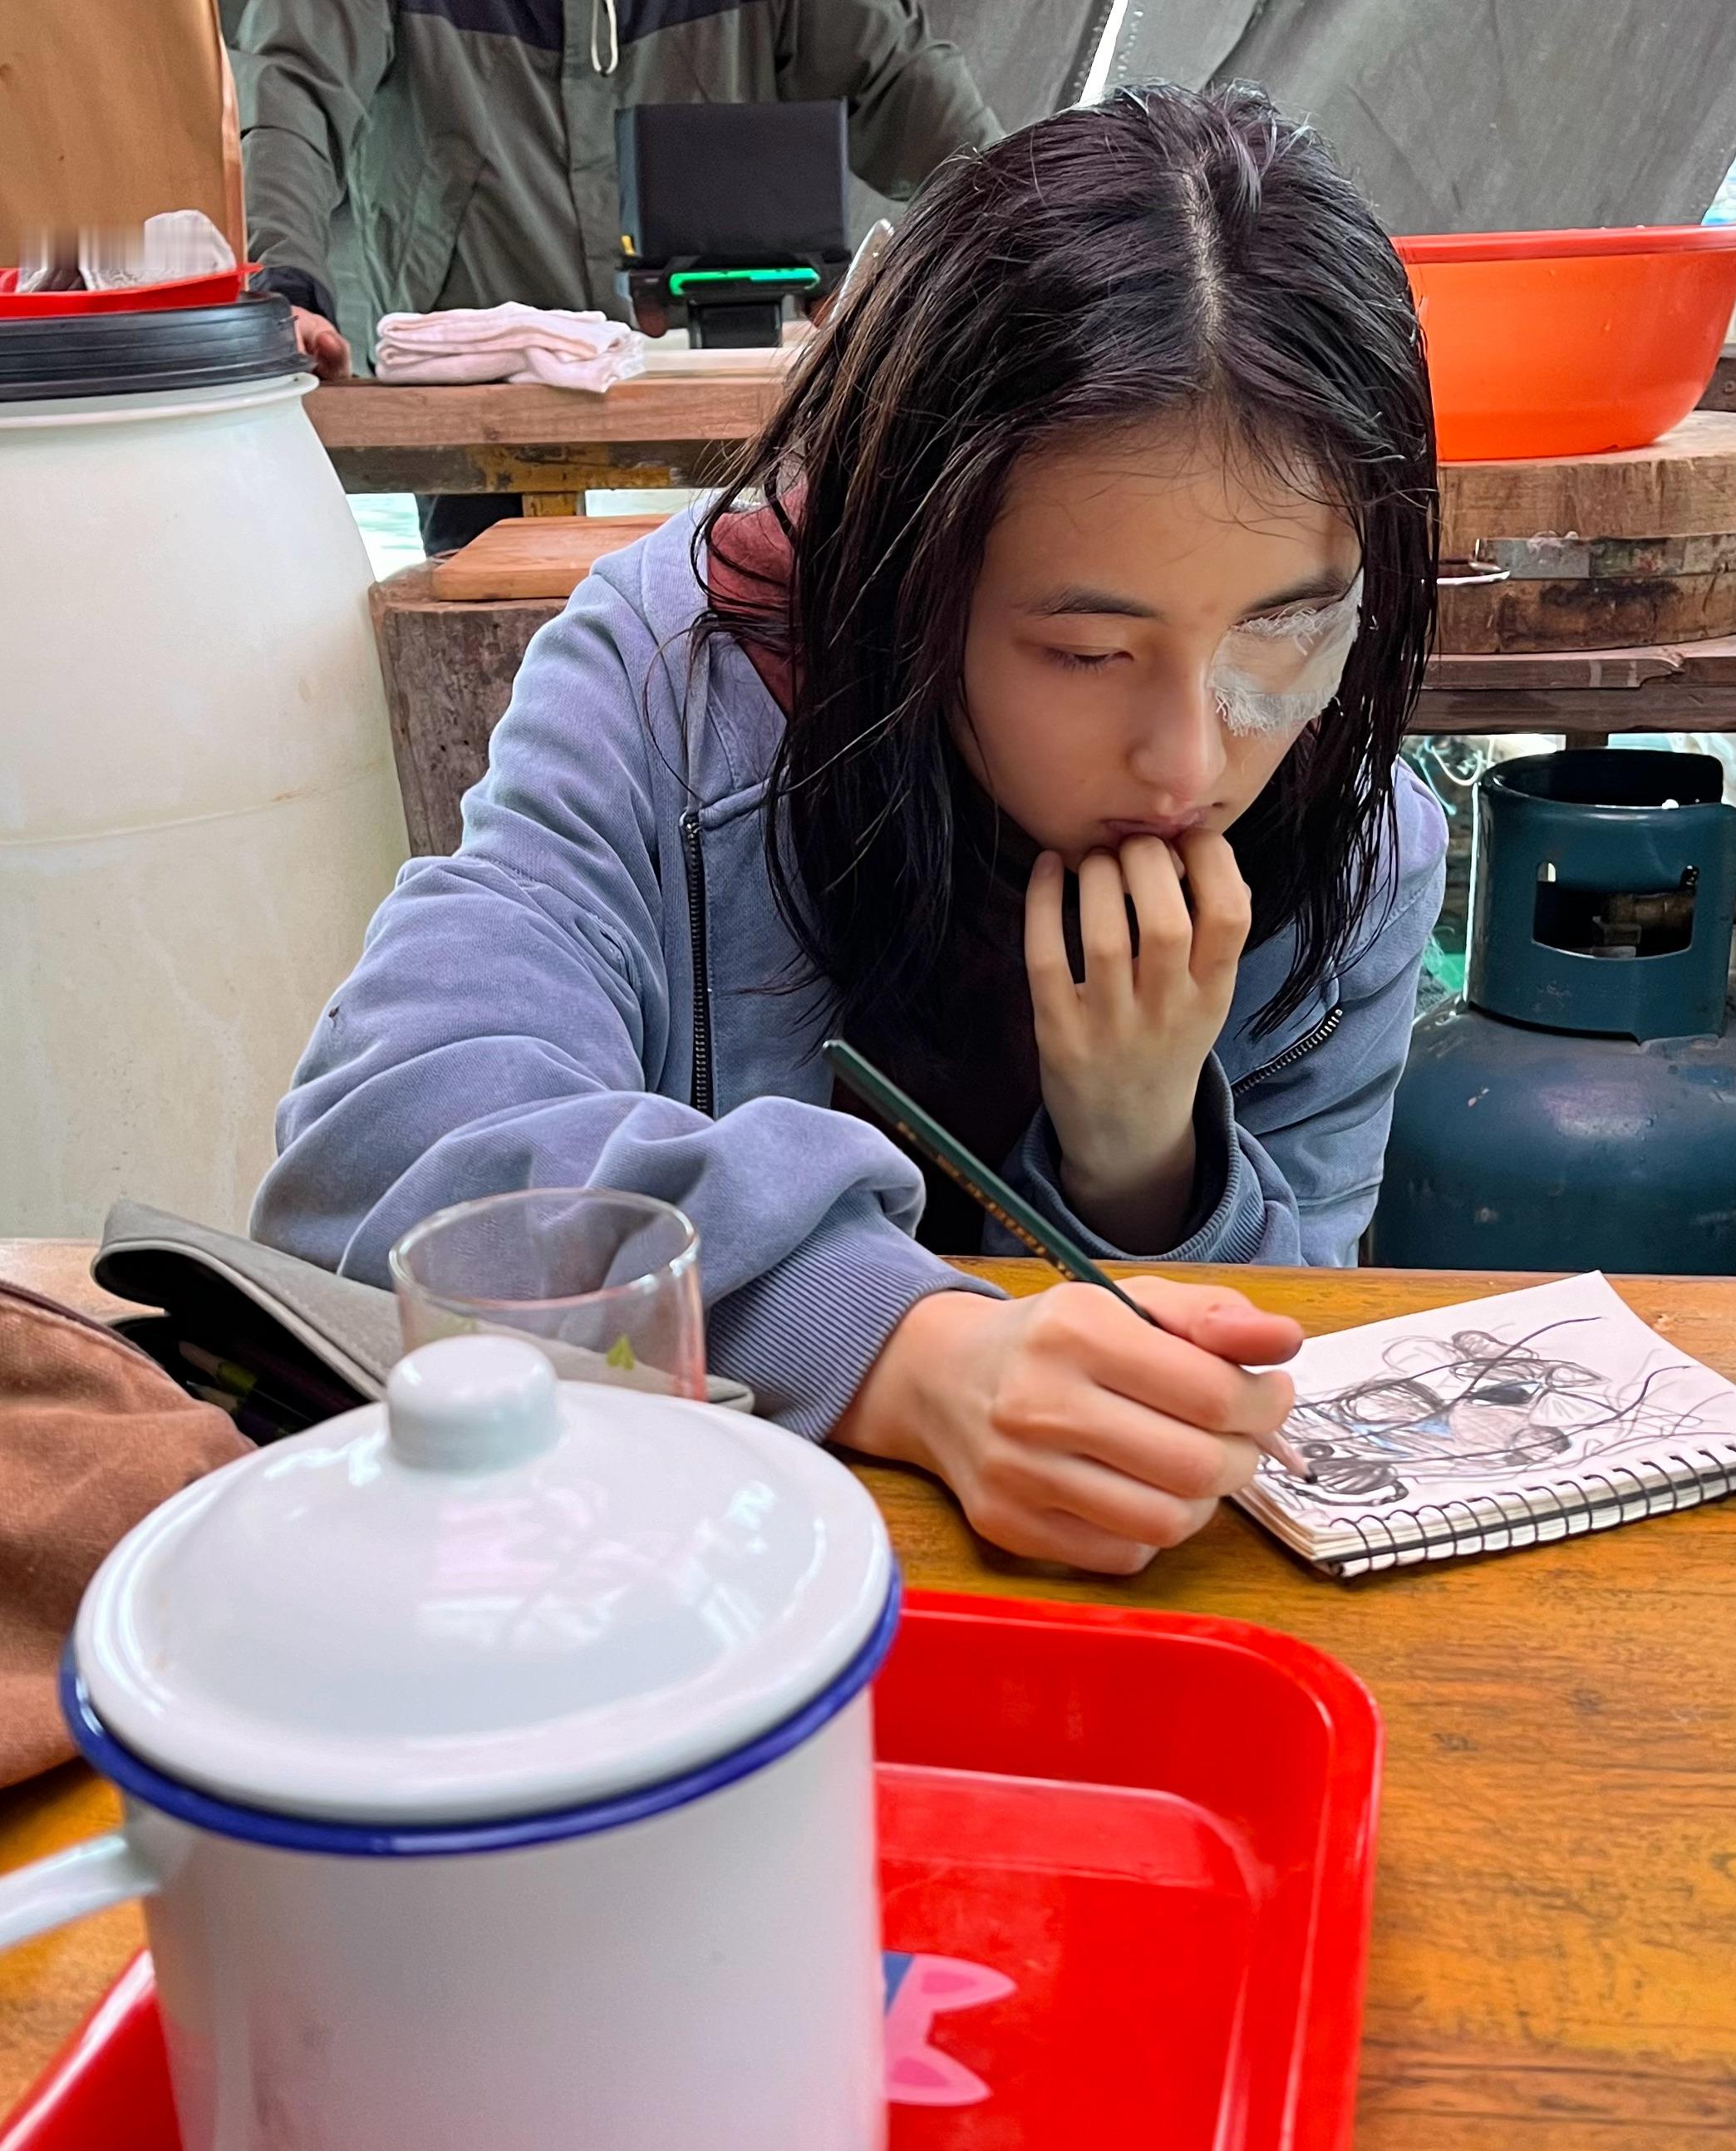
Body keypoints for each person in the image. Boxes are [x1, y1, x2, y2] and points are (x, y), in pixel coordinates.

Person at [253, 84, 1448, 1577]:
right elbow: (386, 1131)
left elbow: (1298, 1363)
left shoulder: (1361, 847)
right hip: (657, 1586)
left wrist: (1144, 1159)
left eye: (1283, 633)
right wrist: (905, 1349)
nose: (1190, 758)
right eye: (1084, 652)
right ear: (909, 571)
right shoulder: (677, 679)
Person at [229, 0, 1000, 549]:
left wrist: (1037, 236)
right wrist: (285, 290)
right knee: (491, 664)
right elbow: (290, 94)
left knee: (752, 654)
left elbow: (909, 88)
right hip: (485, 401)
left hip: (737, 395)